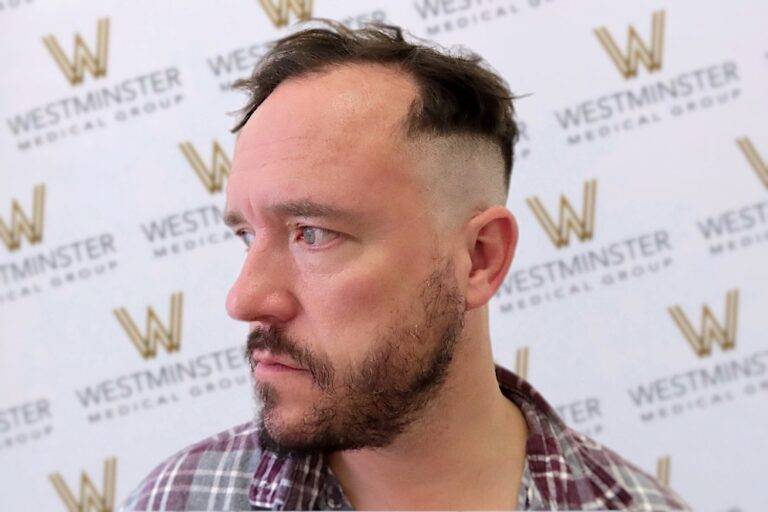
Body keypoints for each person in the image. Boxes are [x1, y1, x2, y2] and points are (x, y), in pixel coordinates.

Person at [122, 20, 689, 511]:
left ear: (479, 259)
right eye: (247, 236)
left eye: (312, 234)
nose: (243, 300)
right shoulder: (182, 497)